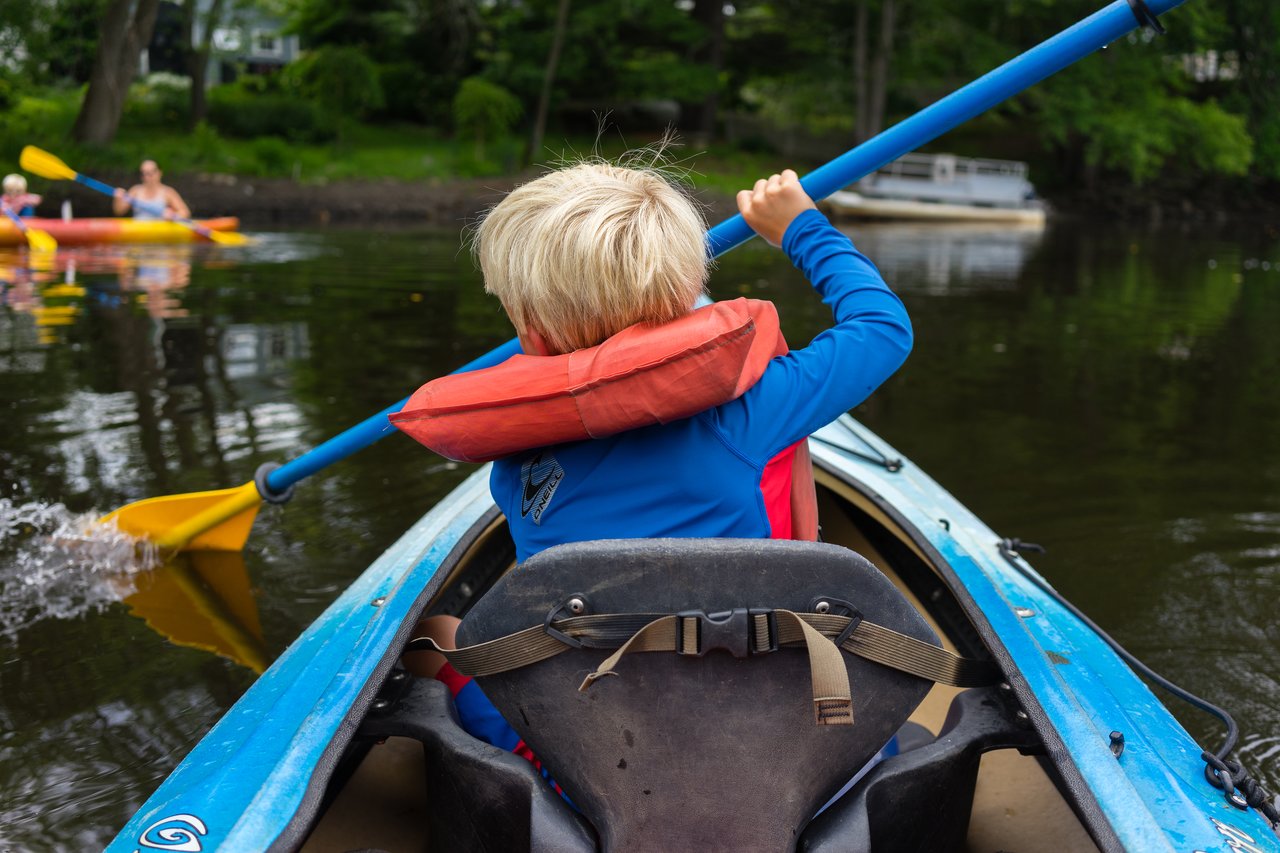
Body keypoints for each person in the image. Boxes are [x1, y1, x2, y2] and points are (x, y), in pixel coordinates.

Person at [398, 159, 912, 788]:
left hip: (579, 761)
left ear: (525, 323)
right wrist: (799, 225)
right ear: (686, 291)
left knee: (435, 633)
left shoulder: (514, 449)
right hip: (774, 748)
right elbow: (882, 329)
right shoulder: (752, 411)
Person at [112, 160, 190, 220]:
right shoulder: (135, 191)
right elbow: (119, 212)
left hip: (159, 234)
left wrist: (173, 216)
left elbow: (185, 212)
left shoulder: (168, 192)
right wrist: (118, 199)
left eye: (150, 173)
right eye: (144, 174)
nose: (147, 177)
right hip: (139, 234)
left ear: (159, 173)